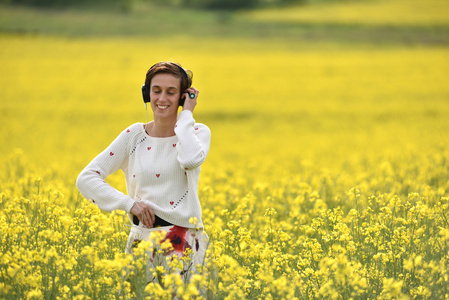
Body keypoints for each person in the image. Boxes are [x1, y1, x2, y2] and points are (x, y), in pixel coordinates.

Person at [76, 61, 211, 283]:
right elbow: (86, 178)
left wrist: (186, 115)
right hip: (142, 241)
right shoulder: (134, 136)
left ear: (182, 97)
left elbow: (189, 160)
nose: (162, 99)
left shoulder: (197, 132)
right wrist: (129, 204)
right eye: (156, 91)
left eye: (171, 92)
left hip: (183, 243)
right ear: (147, 94)